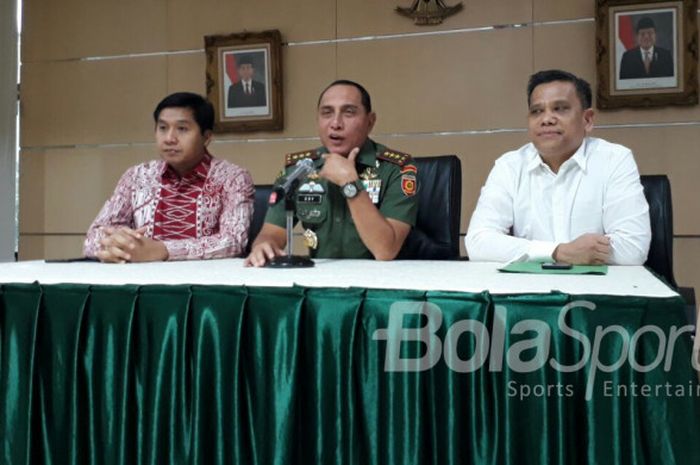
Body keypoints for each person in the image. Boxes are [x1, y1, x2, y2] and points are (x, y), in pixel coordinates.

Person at [465, 69, 650, 265]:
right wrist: (558, 252)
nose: (546, 119)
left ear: (587, 120)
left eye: (560, 108)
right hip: (528, 290)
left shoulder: (614, 160)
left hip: (595, 290)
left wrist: (528, 252)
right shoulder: (509, 166)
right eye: (537, 111)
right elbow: (478, 242)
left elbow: (632, 249)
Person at [244, 80, 418, 267]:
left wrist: (349, 183)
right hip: (321, 280)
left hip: (380, 284)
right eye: (327, 113)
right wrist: (264, 245)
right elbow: (272, 232)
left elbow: (385, 250)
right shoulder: (300, 169)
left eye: (348, 112)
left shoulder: (397, 169)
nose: (335, 123)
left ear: (370, 121)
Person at [84, 92, 254, 263]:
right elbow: (93, 237)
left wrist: (163, 250)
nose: (169, 139)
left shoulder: (232, 178)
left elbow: (233, 241)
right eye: (163, 128)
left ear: (206, 137)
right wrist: (117, 244)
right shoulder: (137, 176)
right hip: (140, 280)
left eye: (182, 129)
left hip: (202, 282)